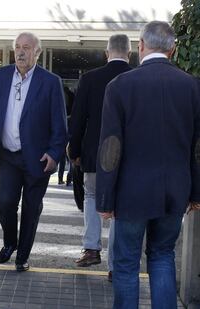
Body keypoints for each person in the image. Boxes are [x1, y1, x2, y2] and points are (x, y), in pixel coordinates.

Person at [96, 21, 200, 308]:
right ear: (173, 49)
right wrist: (196, 193)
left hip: (132, 192)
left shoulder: (120, 86)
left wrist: (104, 198)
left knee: (127, 263)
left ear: (140, 47)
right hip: (175, 190)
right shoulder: (192, 86)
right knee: (163, 255)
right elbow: (195, 146)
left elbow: (110, 148)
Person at [0, 32, 67, 272]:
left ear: (37, 53)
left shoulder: (51, 82)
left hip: (37, 159)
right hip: (9, 156)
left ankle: (22, 256)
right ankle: (10, 242)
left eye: (27, 48)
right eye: (17, 47)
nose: (21, 52)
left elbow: (60, 125)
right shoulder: (0, 76)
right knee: (6, 204)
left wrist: (54, 153)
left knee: (31, 210)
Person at [68, 34, 132, 281]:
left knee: (92, 196)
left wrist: (74, 151)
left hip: (95, 154)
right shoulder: (135, 77)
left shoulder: (90, 78)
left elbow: (78, 119)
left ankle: (91, 248)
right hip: (126, 156)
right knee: (119, 208)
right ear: (130, 53)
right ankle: (115, 266)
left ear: (107, 53)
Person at [58, 86, 74, 185]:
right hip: (69, 129)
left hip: (61, 131)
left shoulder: (58, 97)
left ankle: (60, 178)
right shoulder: (71, 96)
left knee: (62, 158)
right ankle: (69, 177)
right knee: (70, 157)